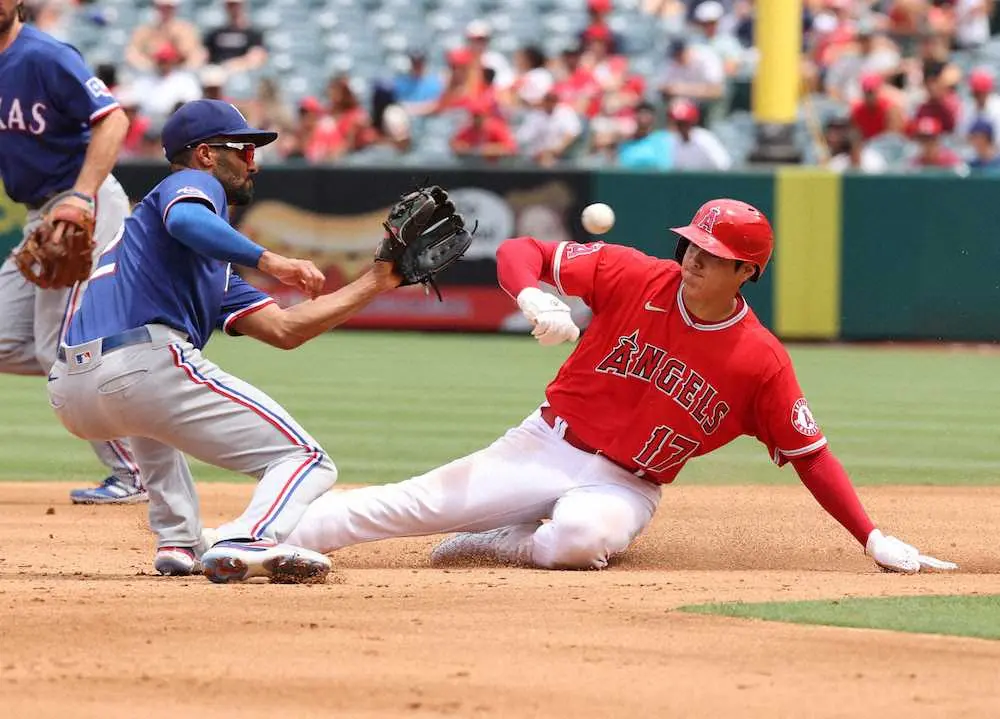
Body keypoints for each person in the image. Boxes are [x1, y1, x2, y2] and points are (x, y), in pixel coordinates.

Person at [286, 200, 956, 576]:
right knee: (401, 507)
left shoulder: (761, 362)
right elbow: (523, 249)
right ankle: (246, 537)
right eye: (692, 243)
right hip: (546, 444)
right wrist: (529, 296)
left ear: (747, 270)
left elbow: (812, 456)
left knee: (576, 542)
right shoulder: (634, 275)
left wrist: (870, 536)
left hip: (626, 484)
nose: (693, 257)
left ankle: (492, 540)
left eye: (712, 254)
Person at [46, 99, 405, 582]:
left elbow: (284, 330)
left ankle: (179, 542)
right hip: (139, 363)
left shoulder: (199, 263)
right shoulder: (187, 185)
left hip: (71, 390)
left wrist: (376, 282)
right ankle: (249, 536)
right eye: (243, 148)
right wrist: (273, 261)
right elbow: (187, 220)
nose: (253, 161)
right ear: (205, 155)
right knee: (306, 460)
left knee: (151, 421)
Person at [0, 0, 146, 504]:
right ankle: (119, 365)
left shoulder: (43, 56)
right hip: (42, 213)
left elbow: (112, 120)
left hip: (82, 203)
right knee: (19, 341)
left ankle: (134, 472)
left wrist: (81, 196)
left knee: (58, 347)